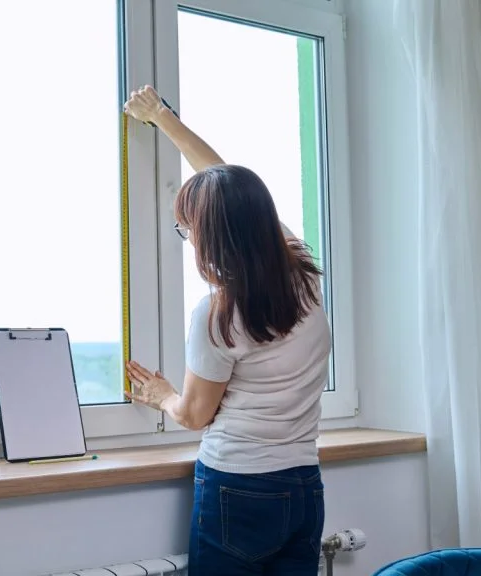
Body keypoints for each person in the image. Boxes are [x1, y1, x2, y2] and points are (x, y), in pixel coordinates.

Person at [122, 85, 331, 575]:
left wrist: (161, 394)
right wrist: (161, 118)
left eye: (187, 229)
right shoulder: (303, 275)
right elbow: (229, 189)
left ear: (209, 236)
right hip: (303, 482)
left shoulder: (218, 314)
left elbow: (195, 414)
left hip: (239, 485)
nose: (188, 238)